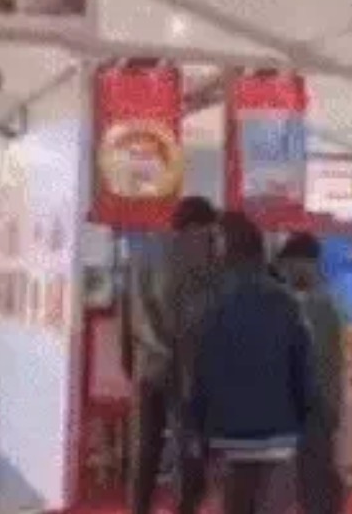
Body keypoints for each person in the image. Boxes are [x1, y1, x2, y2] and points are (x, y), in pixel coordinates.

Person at [189, 212, 315, 514]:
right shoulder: (287, 303)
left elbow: (200, 375)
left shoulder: (211, 304)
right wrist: (302, 419)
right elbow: (303, 371)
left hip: (227, 436)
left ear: (225, 251)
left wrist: (198, 430)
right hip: (279, 434)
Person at [126, 196, 221, 514]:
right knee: (188, 444)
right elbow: (202, 314)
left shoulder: (143, 251)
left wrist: (132, 360)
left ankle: (139, 507)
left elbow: (131, 312)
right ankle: (186, 507)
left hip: (147, 364)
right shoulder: (200, 255)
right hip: (185, 366)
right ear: (199, 226)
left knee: (145, 446)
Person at [273, 232, 345, 514]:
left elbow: (327, 361)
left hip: (312, 409)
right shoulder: (315, 303)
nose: (286, 272)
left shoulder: (318, 306)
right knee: (310, 483)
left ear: (306, 264)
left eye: (290, 265)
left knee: (314, 483)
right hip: (306, 408)